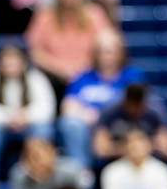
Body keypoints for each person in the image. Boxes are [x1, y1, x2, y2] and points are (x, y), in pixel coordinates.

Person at [0, 43, 57, 188]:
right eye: (6, 62)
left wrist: (25, 116)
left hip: (29, 125)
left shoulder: (36, 78)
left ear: (23, 63)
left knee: (43, 129)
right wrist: (8, 117)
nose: (10, 66)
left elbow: (47, 108)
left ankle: (43, 169)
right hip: (0, 126)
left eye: (14, 62)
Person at [59, 30, 140, 167]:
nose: (106, 56)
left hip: (119, 123)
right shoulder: (83, 77)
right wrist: (86, 115)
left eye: (110, 51)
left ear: (120, 53)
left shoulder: (132, 76)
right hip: (89, 124)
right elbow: (67, 106)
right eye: (101, 51)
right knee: (70, 123)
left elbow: (137, 106)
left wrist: (104, 116)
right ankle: (82, 171)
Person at [24, 0, 114, 94]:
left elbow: (107, 46)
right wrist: (61, 69)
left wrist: (82, 68)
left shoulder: (95, 15)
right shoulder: (44, 16)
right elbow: (35, 53)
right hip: (52, 77)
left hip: (90, 74)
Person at [91, 79, 167, 163]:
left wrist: (142, 149)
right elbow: (100, 149)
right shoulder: (110, 111)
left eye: (138, 105)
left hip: (149, 162)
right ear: (125, 101)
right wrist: (129, 149)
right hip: (116, 162)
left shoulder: (155, 111)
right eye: (131, 105)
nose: (134, 109)